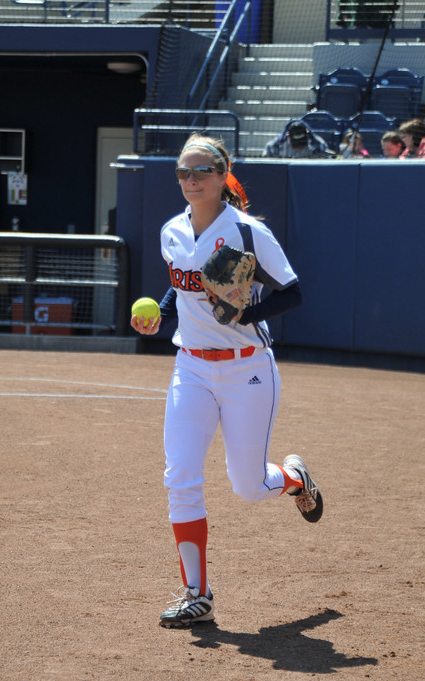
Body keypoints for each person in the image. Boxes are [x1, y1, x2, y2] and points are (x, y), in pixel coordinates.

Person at [130, 133, 320, 629]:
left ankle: (296, 478)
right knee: (180, 477)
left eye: (200, 172)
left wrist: (245, 310)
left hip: (246, 367)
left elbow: (293, 292)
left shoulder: (248, 231)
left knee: (249, 486)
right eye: (182, 173)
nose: (190, 181)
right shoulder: (173, 230)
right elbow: (181, 286)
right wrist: (160, 315)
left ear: (221, 175)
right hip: (190, 366)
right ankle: (198, 594)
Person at [262, 120, 333, 158]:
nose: (298, 148)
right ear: (288, 136)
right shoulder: (272, 147)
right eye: (295, 143)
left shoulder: (319, 145)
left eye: (301, 143)